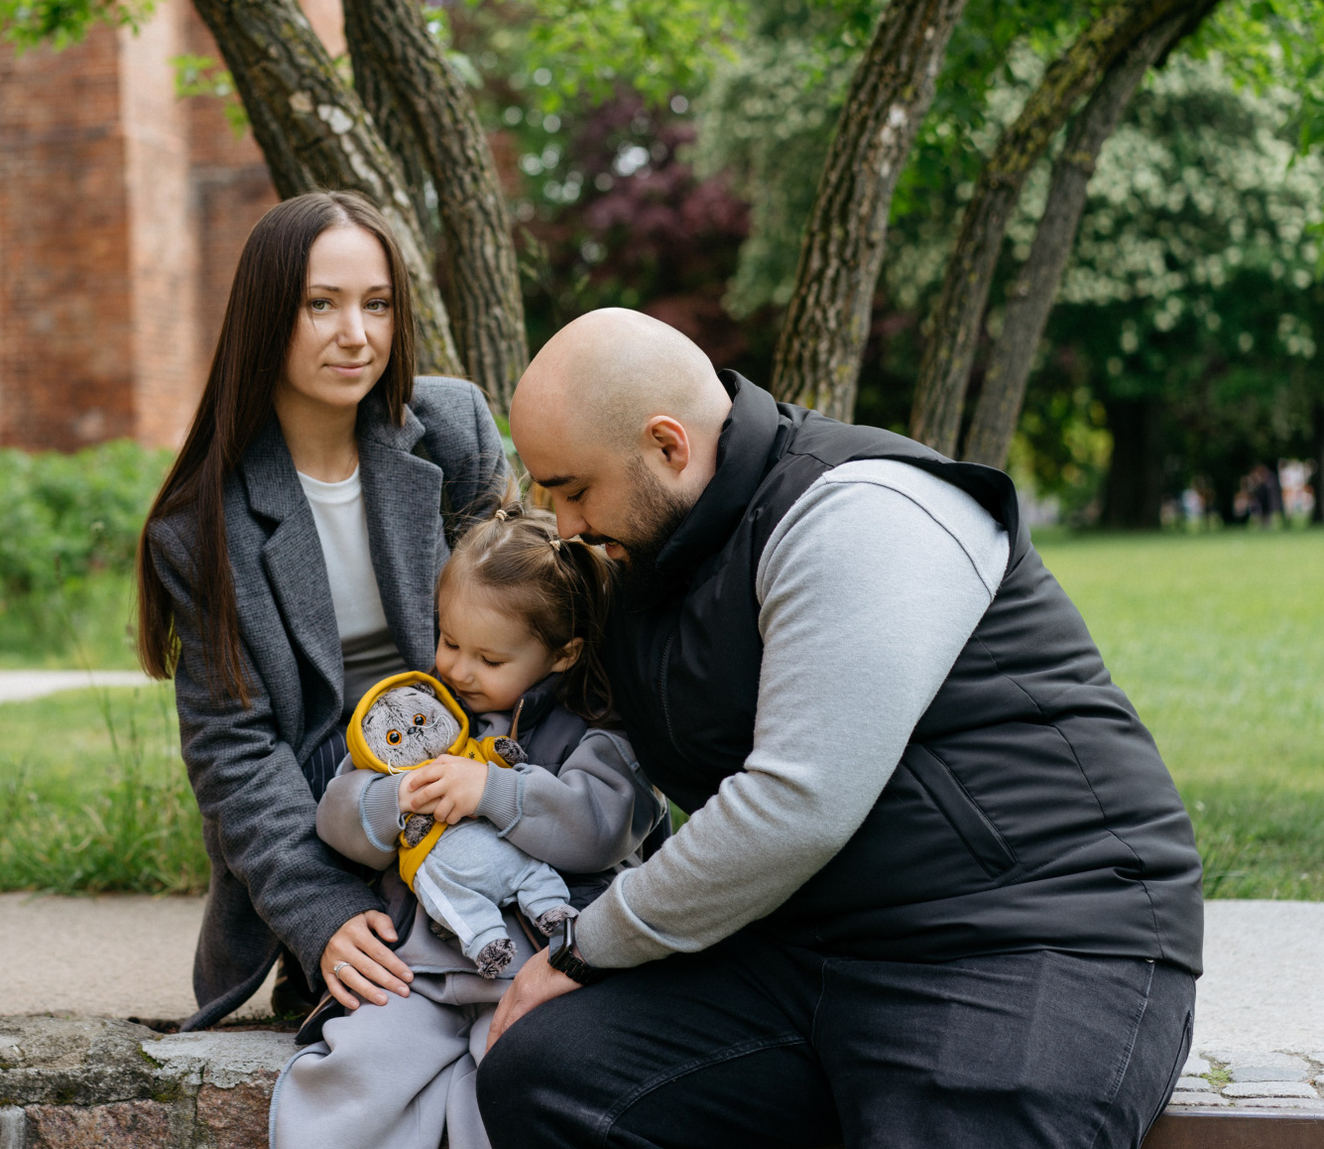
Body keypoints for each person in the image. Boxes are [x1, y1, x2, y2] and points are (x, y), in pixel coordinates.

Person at [481, 308, 1203, 1148]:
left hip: (1029, 935)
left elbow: (797, 805)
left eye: (574, 490)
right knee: (549, 1077)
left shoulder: (861, 510)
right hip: (799, 950)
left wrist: (586, 948)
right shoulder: (647, 553)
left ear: (668, 445)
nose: (566, 524)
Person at [136, 191, 509, 1030]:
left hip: (482, 766)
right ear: (268, 315)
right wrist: (321, 913)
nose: (357, 335)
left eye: (377, 304)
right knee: (401, 1010)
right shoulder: (202, 528)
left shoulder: (452, 431)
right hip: (335, 815)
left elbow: (536, 621)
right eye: (321, 305)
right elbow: (235, 748)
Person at [273, 505, 664, 1149]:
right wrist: (393, 798)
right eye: (450, 642)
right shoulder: (417, 714)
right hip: (417, 972)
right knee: (359, 1071)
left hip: (538, 971)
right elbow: (336, 814)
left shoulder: (597, 730)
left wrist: (495, 790)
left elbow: (602, 828)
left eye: (488, 658)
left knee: (518, 1086)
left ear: (563, 653)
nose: (457, 670)